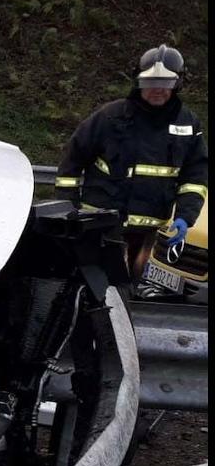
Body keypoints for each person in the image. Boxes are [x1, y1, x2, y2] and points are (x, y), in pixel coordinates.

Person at [55, 44, 208, 289]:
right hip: (101, 228)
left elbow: (195, 176)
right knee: (94, 292)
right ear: (138, 82)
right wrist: (69, 207)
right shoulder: (110, 117)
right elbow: (72, 160)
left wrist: (185, 216)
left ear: (178, 84)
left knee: (130, 295)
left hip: (148, 238)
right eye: (150, 82)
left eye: (166, 83)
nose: (157, 89)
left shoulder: (188, 124)